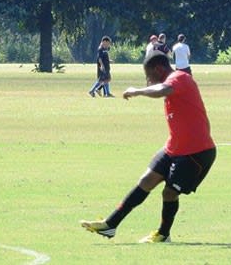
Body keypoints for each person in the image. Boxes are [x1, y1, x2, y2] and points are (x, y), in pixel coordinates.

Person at [81, 51, 216, 243]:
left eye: (149, 75)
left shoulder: (180, 78)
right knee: (146, 180)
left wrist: (137, 91)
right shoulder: (172, 81)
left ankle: (163, 234)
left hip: (196, 152)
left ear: (158, 69)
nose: (148, 80)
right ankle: (111, 225)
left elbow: (163, 89)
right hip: (174, 148)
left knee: (169, 192)